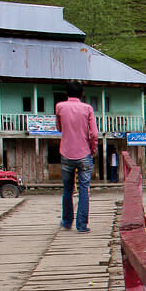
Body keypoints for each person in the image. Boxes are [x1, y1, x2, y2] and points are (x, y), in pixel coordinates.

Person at [55, 80, 97, 233]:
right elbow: (94, 133)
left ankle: (66, 221)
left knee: (67, 189)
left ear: (66, 93)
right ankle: (82, 225)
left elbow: (59, 127)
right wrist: (93, 149)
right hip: (84, 153)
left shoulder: (59, 107)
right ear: (82, 94)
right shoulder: (87, 108)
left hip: (66, 152)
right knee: (84, 189)